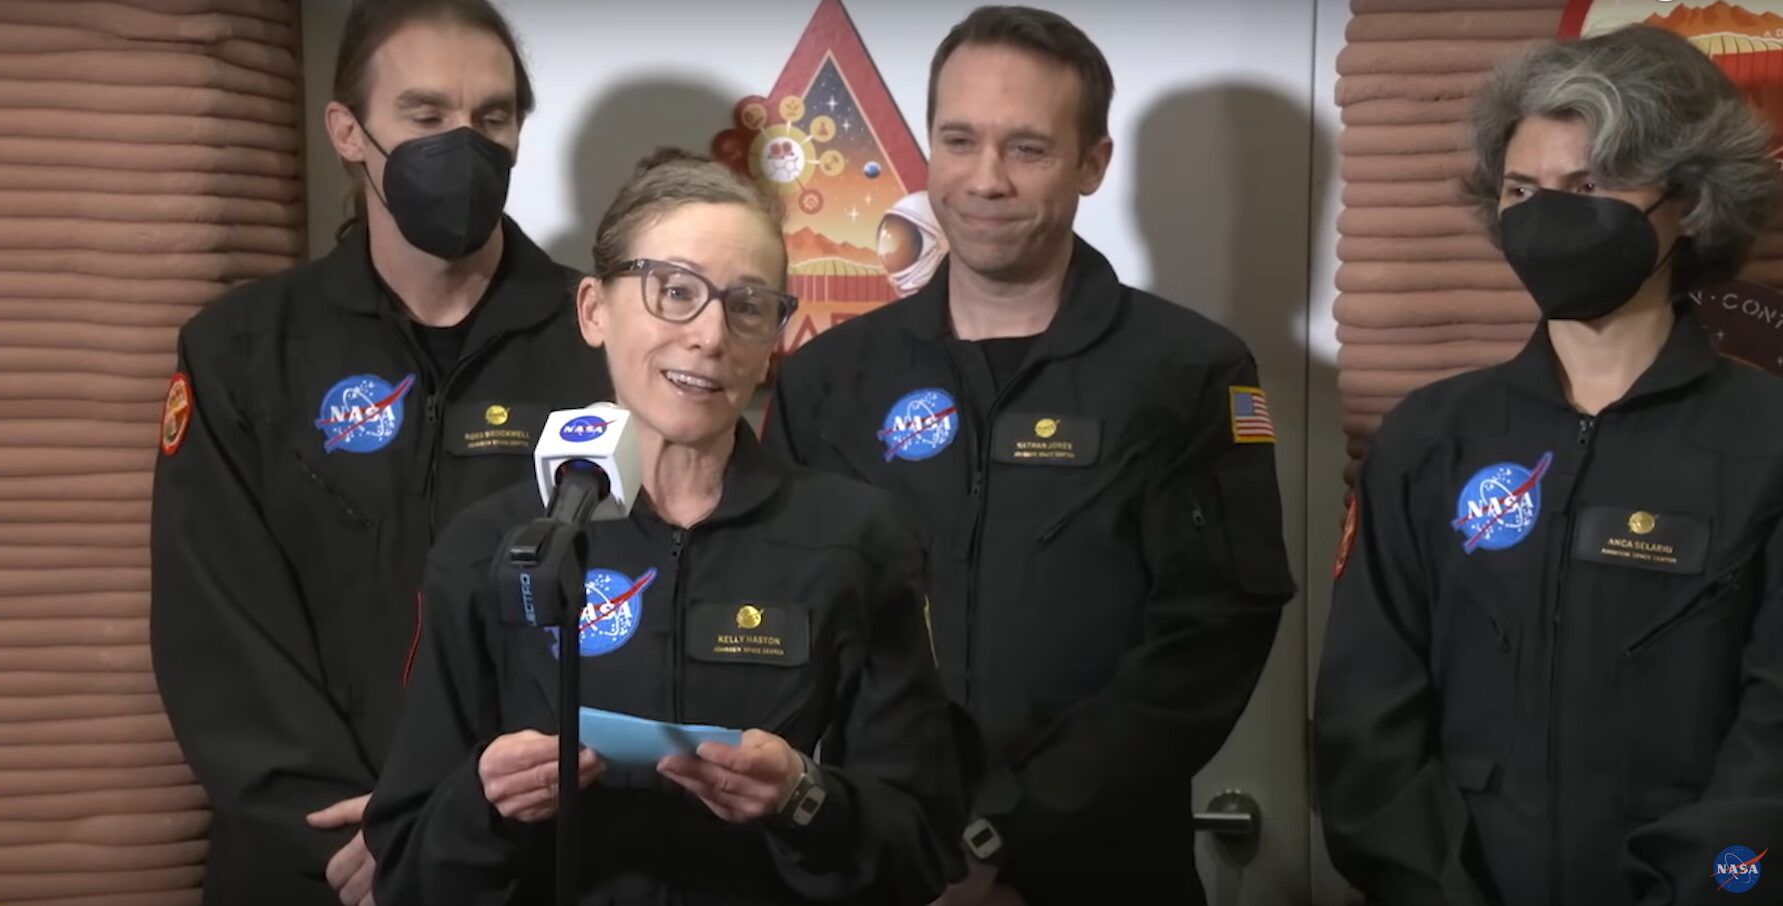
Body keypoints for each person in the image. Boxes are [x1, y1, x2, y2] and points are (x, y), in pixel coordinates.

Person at [763, 7, 1296, 904]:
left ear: (1092, 164)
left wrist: (1005, 837)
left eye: (1028, 149)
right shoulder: (827, 379)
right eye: (959, 140)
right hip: (881, 866)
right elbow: (786, 619)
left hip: (1104, 870)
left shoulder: (1189, 373)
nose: (985, 180)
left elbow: (1207, 638)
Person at [362, 148, 976, 905]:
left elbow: (920, 850)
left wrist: (804, 800)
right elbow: (405, 869)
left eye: (747, 305)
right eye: (675, 292)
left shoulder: (854, 540)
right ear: (594, 310)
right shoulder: (494, 543)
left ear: (773, 340)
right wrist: (484, 803)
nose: (711, 335)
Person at [148, 1, 610, 903]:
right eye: (427, 117)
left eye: (493, 118)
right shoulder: (242, 349)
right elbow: (217, 618)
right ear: (348, 133)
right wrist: (340, 824)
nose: (464, 146)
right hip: (312, 860)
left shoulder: (600, 341)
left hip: (531, 854)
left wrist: (465, 821)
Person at [1314, 24, 1783, 906]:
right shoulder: (1429, 437)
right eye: (1521, 188)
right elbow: (1363, 720)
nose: (1545, 216)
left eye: (1588, 186)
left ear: (1685, 202)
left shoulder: (1765, 440)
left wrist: (1716, 890)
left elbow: (1773, 747)